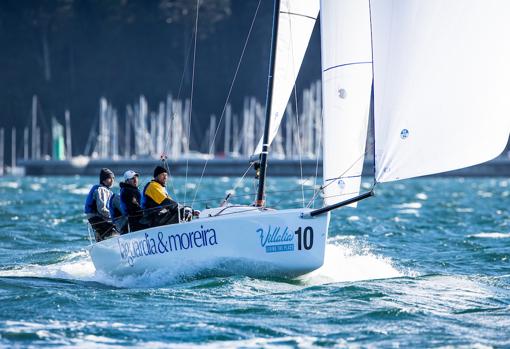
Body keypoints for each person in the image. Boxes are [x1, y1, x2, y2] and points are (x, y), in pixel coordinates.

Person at [84, 168, 119, 241]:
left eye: (113, 178)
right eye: (109, 178)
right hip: (96, 218)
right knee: (118, 230)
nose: (112, 180)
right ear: (103, 180)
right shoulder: (101, 189)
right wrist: (113, 217)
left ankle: (100, 238)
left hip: (96, 218)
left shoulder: (106, 190)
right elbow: (102, 209)